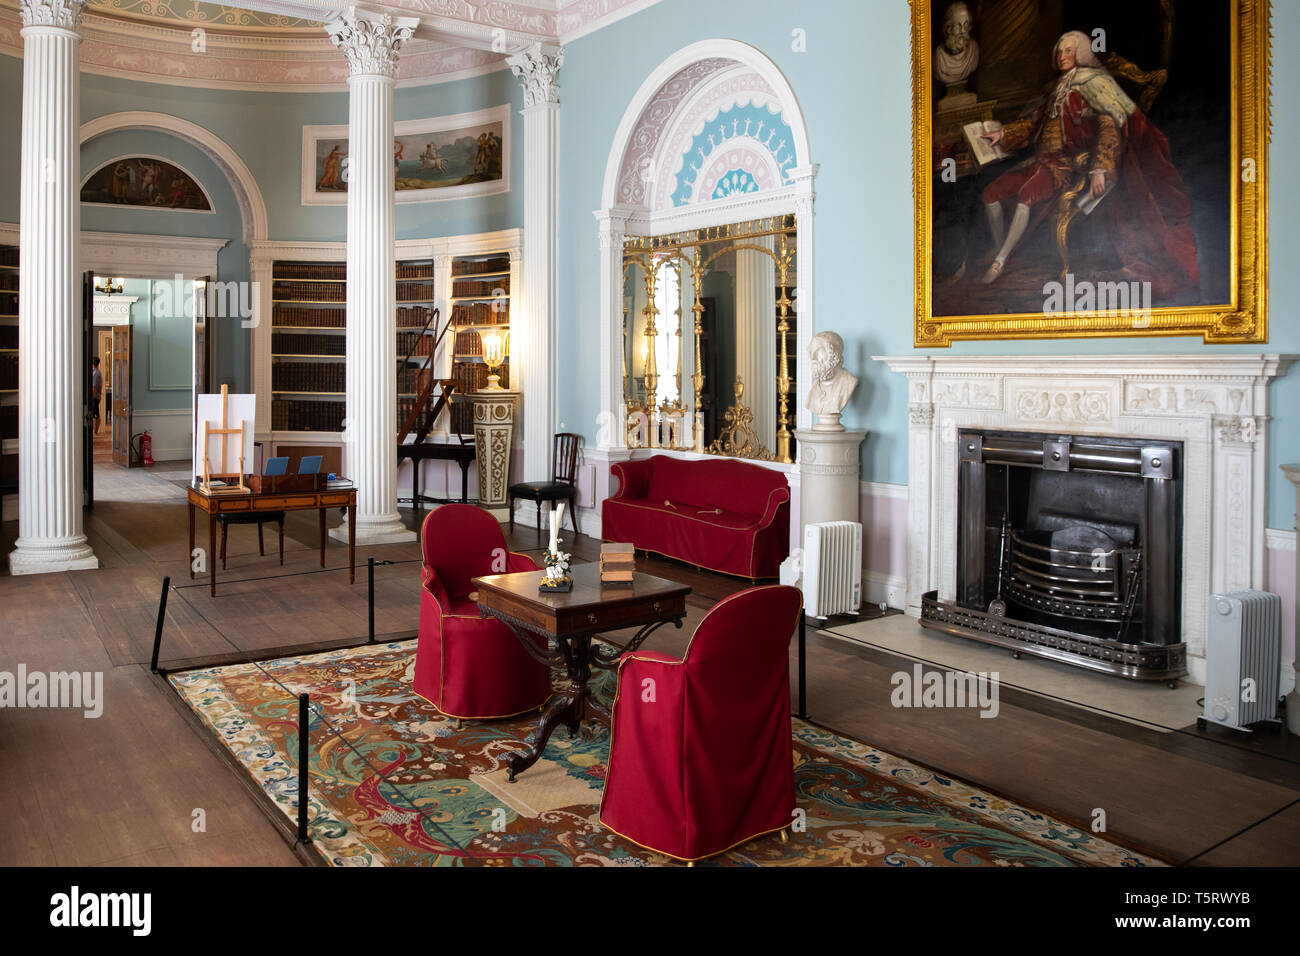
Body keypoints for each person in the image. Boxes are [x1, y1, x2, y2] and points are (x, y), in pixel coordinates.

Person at [977, 30, 1198, 295]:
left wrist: (1098, 169)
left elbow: (1107, 126)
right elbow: (1033, 124)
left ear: (1080, 53)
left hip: (1067, 167)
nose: (1062, 56)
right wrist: (1002, 135)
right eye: (1059, 51)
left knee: (1026, 196)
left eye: (1068, 50)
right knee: (990, 194)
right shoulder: (1056, 89)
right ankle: (1000, 249)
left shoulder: (1091, 84)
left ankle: (1000, 261)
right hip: (1041, 161)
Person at [804, 331, 858, 423]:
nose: (813, 358)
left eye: (818, 351)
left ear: (834, 355)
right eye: (811, 352)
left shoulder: (849, 383)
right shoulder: (814, 388)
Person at [90, 356, 103, 436]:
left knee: (95, 414)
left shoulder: (95, 373)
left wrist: (91, 397)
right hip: (96, 396)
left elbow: (94, 387)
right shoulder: (97, 372)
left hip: (95, 397)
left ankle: (95, 432)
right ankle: (95, 432)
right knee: (95, 414)